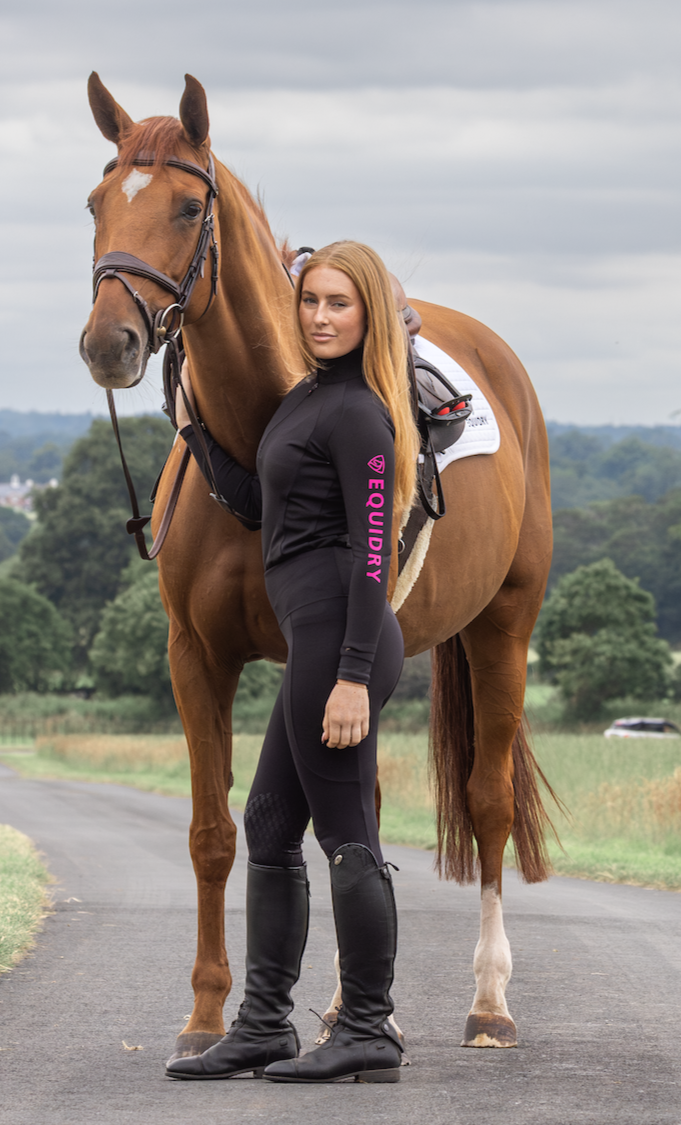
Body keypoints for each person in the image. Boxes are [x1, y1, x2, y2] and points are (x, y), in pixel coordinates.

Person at [165, 241, 419, 1084]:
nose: (319, 316)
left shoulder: (360, 415)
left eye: (338, 303)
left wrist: (351, 674)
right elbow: (256, 504)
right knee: (272, 828)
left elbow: (373, 552)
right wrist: (195, 432)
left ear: (369, 313)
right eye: (309, 300)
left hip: (344, 639)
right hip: (312, 641)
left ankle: (370, 1029)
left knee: (348, 834)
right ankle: (266, 1022)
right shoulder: (307, 399)